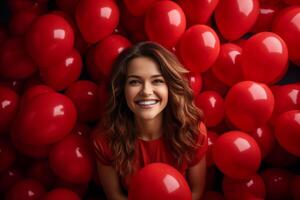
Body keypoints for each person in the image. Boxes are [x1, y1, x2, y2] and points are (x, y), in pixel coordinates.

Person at [92, 41, 208, 200]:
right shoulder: (105, 138)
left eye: (157, 81)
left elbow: (195, 193)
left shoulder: (192, 131)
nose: (146, 91)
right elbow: (115, 195)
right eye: (135, 82)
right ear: (122, 89)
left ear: (170, 87)